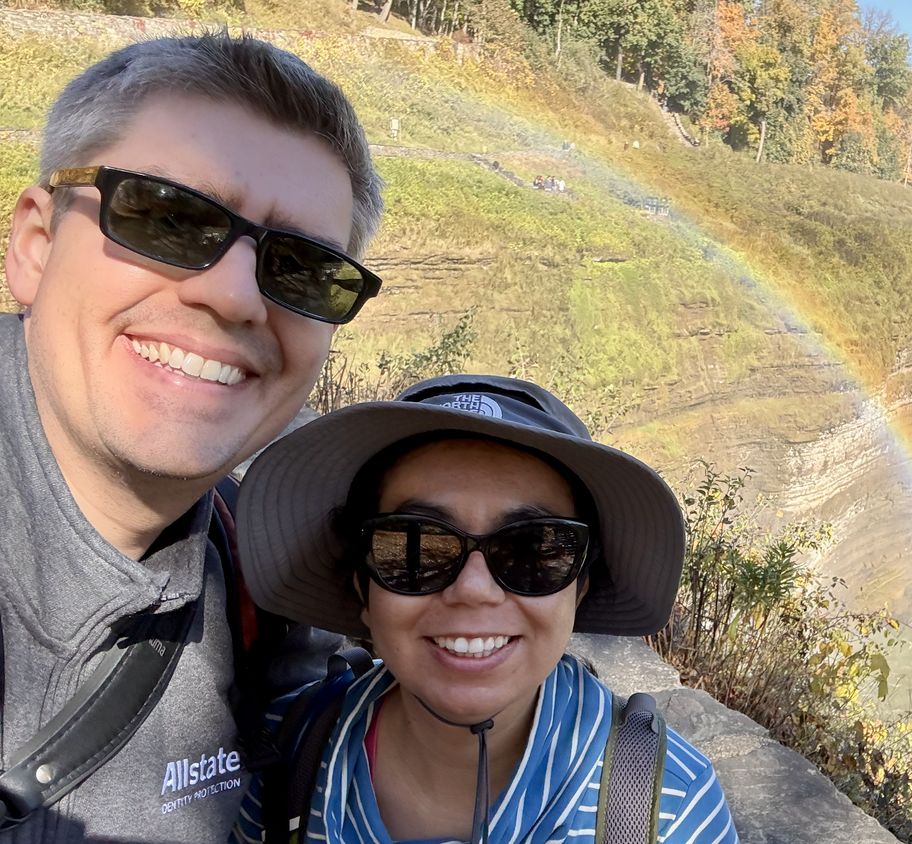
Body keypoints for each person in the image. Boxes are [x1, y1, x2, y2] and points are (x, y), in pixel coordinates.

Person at [0, 34, 383, 842]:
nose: (236, 296)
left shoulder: (256, 591)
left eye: (303, 268)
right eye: (169, 217)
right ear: (35, 245)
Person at [230, 375, 738, 843]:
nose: (475, 590)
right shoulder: (291, 748)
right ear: (362, 587)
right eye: (416, 547)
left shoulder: (666, 812)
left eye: (534, 551)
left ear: (578, 590)